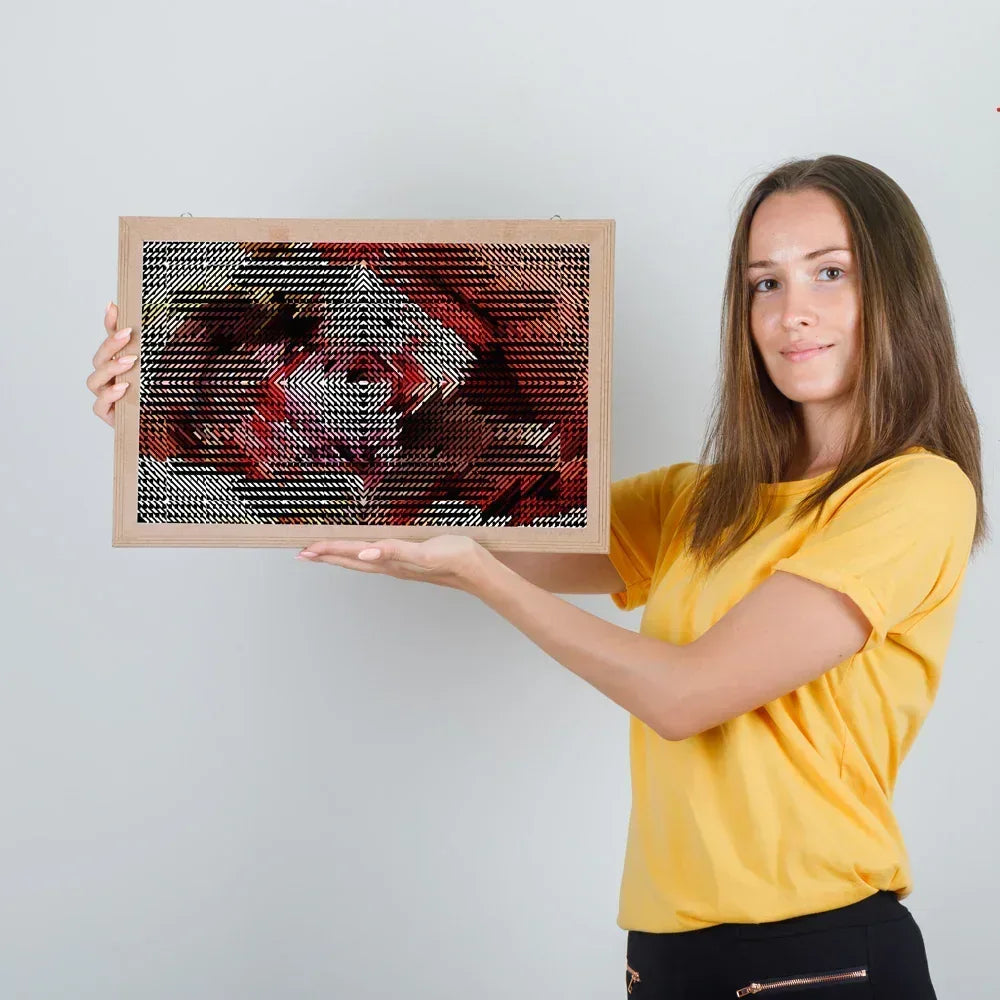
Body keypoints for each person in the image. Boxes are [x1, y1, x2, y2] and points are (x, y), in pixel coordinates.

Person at [87, 154, 986, 998]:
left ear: (897, 293)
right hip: (666, 956)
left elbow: (688, 695)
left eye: (831, 273)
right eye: (766, 281)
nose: (793, 310)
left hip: (819, 959)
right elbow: (468, 526)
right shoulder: (706, 502)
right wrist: (163, 411)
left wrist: (485, 578)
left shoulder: (915, 493)